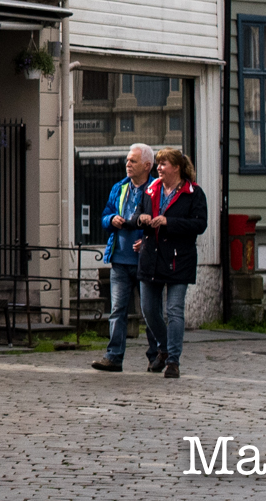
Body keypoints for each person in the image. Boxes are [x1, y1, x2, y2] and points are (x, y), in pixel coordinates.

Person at [136, 147, 207, 379]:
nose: (159, 168)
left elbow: (199, 224)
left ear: (176, 167)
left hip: (179, 259)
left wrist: (169, 222)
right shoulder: (151, 188)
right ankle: (164, 348)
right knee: (148, 310)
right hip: (151, 257)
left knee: (174, 310)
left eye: (163, 163)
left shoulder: (193, 192)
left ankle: (173, 360)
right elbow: (138, 213)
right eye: (158, 163)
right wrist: (141, 219)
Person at [90, 144, 155, 373]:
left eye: (133, 161)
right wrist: (112, 220)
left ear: (147, 166)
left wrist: (147, 242)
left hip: (145, 261)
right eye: (127, 160)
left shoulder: (154, 189)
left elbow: (161, 221)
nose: (128, 164)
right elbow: (105, 215)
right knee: (117, 310)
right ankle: (114, 356)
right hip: (119, 258)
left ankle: (156, 357)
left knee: (150, 312)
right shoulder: (120, 187)